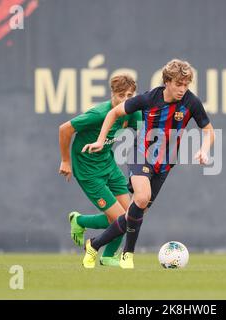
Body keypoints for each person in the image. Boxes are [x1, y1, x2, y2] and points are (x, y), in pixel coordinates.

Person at [81, 59, 215, 269]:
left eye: (186, 85)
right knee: (142, 197)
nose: (183, 89)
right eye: (178, 84)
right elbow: (114, 112)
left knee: (135, 213)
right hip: (140, 155)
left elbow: (208, 130)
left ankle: (94, 245)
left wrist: (204, 149)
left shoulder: (191, 102)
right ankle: (128, 255)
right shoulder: (149, 98)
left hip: (165, 164)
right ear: (167, 81)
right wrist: (100, 140)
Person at [58, 74, 141, 267]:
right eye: (121, 95)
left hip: (108, 165)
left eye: (130, 95)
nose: (125, 100)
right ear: (113, 94)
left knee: (131, 215)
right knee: (120, 219)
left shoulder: (132, 112)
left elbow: (151, 130)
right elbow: (65, 129)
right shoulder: (99, 113)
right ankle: (80, 220)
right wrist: (65, 161)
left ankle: (107, 257)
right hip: (88, 170)